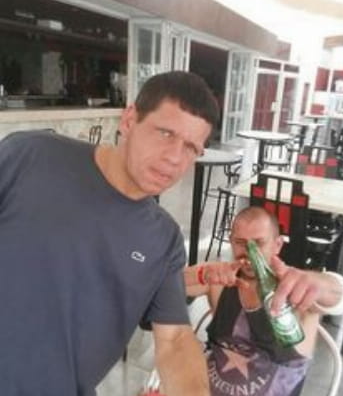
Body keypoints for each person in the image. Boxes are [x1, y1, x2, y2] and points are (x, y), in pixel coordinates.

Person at [0, 71, 220, 396]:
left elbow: (174, 340)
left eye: (191, 148)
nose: (175, 158)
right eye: (165, 133)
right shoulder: (31, 156)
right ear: (129, 120)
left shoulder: (164, 241)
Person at [184, 206, 343, 396]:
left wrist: (320, 283)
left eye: (259, 243)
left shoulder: (296, 290)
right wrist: (200, 274)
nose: (250, 251)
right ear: (231, 242)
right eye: (240, 242)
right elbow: (165, 286)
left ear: (277, 245)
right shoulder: (219, 280)